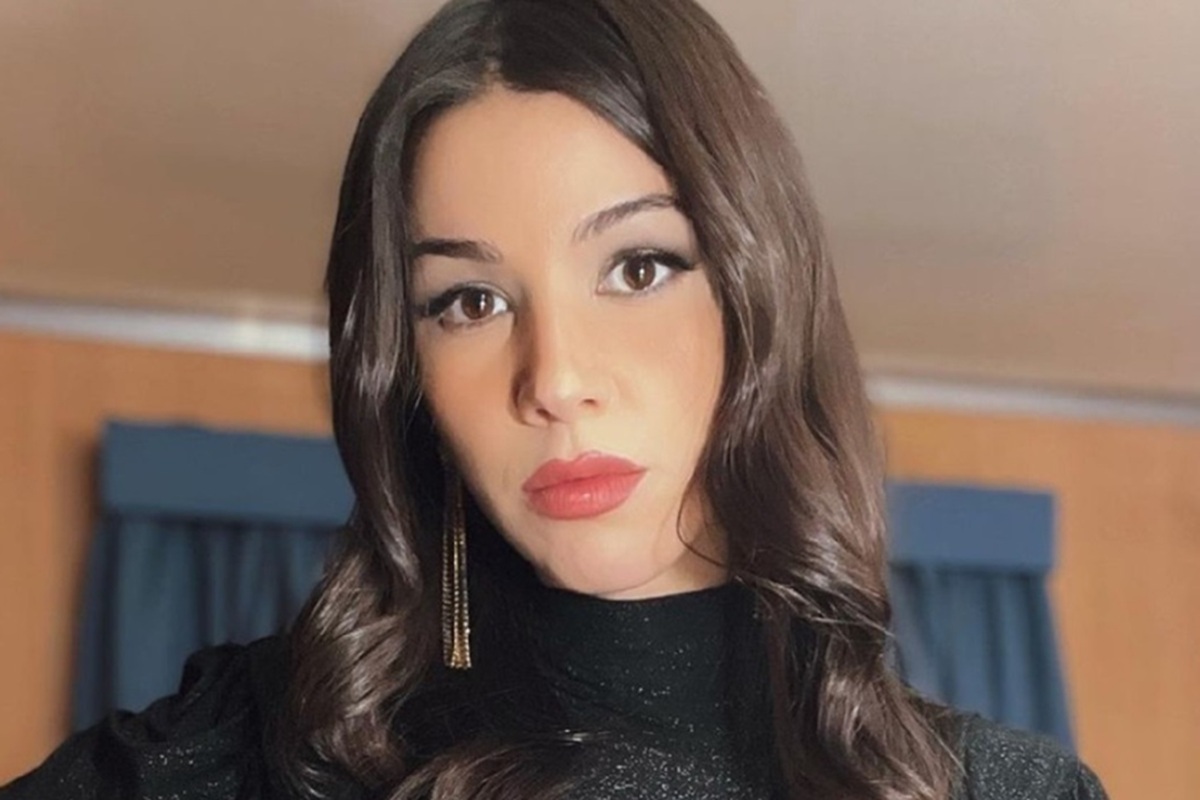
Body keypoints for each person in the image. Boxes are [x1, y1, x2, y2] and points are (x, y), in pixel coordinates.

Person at [2, 1, 1109, 798]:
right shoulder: (251, 754)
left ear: (758, 294)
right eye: (471, 300)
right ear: (405, 369)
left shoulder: (1003, 788)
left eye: (638, 267)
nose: (556, 379)